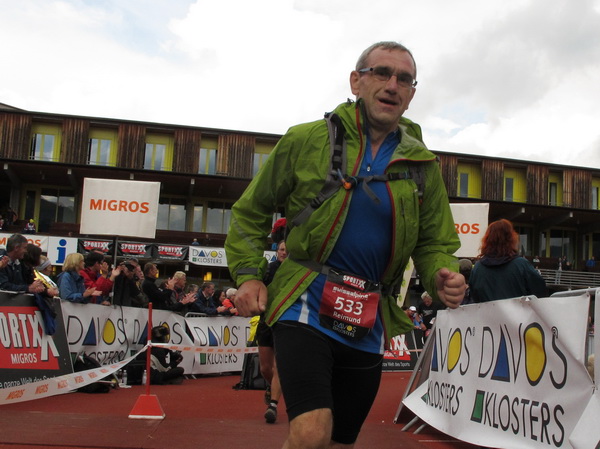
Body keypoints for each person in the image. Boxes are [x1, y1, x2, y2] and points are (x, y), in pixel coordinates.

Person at [225, 41, 465, 448]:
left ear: (411, 94)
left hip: (369, 316)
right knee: (311, 432)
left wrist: (441, 275)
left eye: (404, 79)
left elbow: (435, 242)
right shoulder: (305, 140)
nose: (392, 85)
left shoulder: (423, 166)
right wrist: (249, 275)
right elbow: (251, 210)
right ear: (356, 81)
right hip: (305, 300)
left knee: (338, 442)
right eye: (381, 73)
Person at [469, 219, 547, 302]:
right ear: (511, 239)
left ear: (487, 240)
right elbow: (540, 293)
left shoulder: (478, 268)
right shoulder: (521, 265)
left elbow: (474, 299)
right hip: (517, 310)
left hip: (487, 310)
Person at [257, 240, 287, 424]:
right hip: (266, 321)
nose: (284, 252)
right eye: (282, 249)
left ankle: (273, 405)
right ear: (277, 251)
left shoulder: (296, 270)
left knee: (278, 367)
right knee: (265, 368)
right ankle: (272, 387)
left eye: (287, 250)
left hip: (285, 322)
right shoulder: (268, 269)